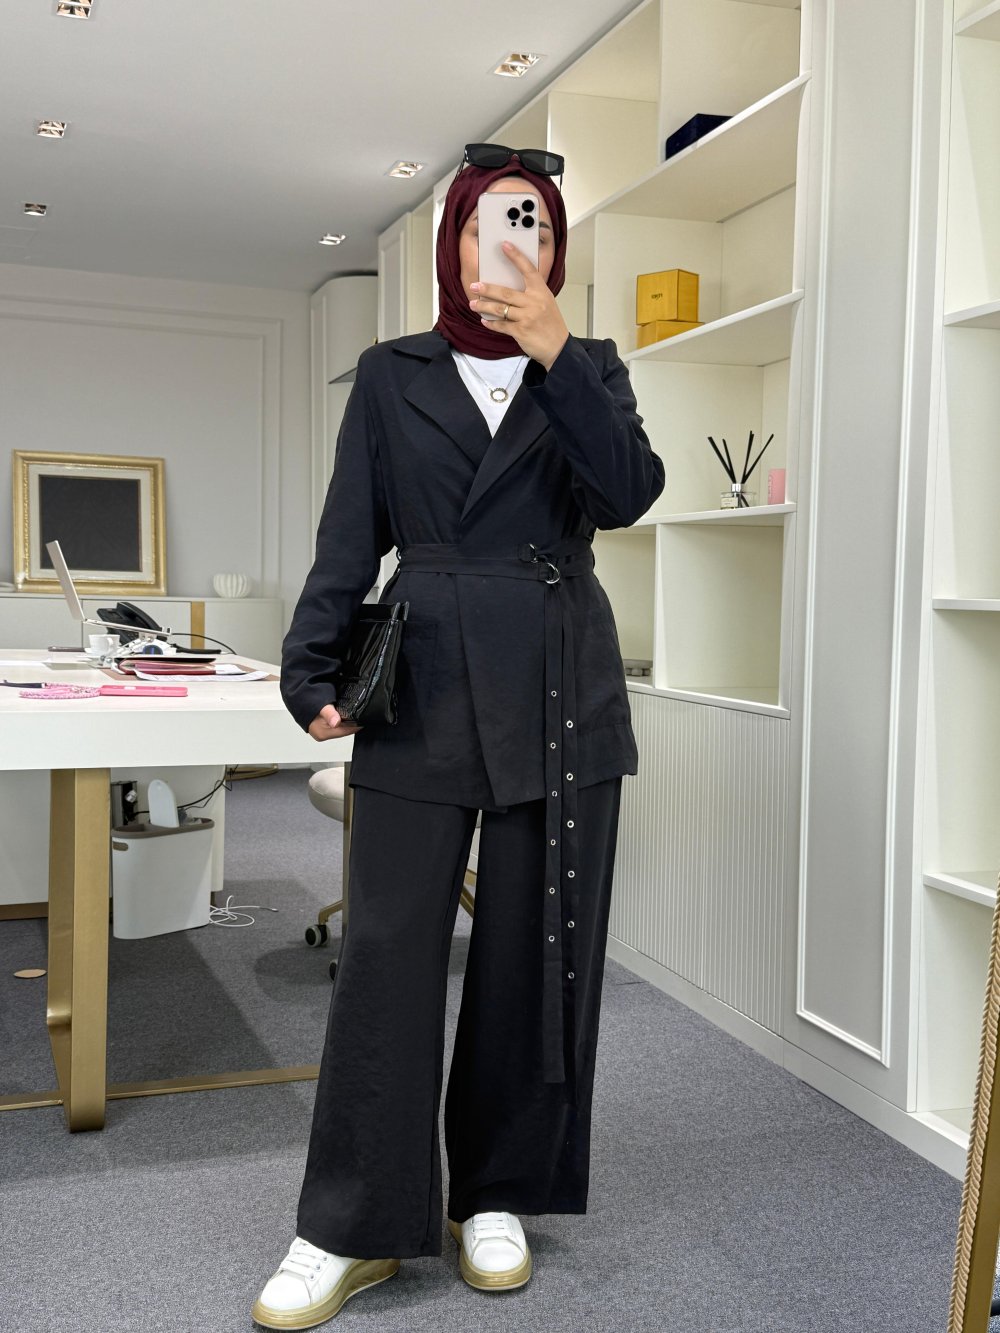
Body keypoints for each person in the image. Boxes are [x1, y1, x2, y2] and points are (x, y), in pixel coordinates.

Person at [254, 143, 666, 1330]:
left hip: (558, 679)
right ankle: (349, 1222)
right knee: (385, 954)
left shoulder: (590, 365)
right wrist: (310, 667)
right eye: (496, 220)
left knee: (534, 953)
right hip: (423, 676)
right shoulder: (393, 373)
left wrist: (556, 353)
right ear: (455, 240)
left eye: (537, 223)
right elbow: (350, 532)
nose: (516, 243)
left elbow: (627, 494)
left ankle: (496, 1190)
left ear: (556, 247)